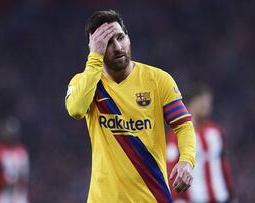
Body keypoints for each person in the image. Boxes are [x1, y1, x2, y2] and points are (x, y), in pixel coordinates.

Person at [65, 10, 196, 203]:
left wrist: (186, 160)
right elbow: (76, 110)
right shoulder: (86, 83)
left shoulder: (158, 80)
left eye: (120, 37)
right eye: (108, 42)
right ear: (95, 47)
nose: (117, 47)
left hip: (152, 197)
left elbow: (183, 125)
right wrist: (94, 60)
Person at [166, 84, 235, 203]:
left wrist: (232, 195)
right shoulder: (176, 136)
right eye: (202, 102)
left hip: (221, 197)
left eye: (208, 102)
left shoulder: (216, 131)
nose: (207, 106)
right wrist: (177, 199)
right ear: (191, 104)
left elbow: (224, 165)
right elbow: (171, 168)